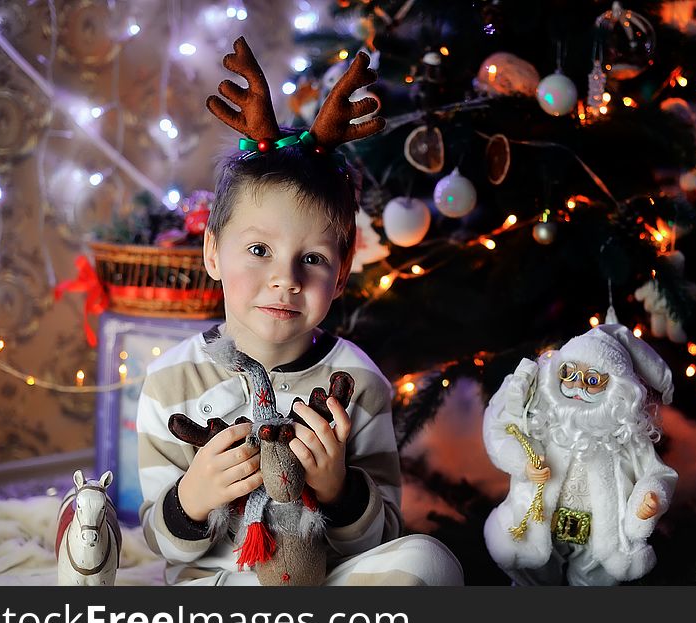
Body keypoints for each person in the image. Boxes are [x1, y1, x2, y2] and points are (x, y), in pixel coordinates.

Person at [136, 37, 462, 586]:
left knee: (430, 561)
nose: (285, 279)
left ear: (340, 272)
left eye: (311, 258)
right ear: (213, 252)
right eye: (258, 250)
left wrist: (339, 490)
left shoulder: (357, 381)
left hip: (332, 577)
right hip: (225, 584)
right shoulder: (171, 381)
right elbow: (157, 540)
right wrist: (192, 499)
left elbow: (383, 531)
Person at [482, 321, 677, 585]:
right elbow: (501, 428)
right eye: (568, 373)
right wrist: (523, 463)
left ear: (617, 389)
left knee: (595, 578)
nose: (577, 386)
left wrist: (647, 499)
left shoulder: (625, 436)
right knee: (533, 568)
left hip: (599, 531)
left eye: (593, 380)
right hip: (540, 521)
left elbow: (658, 474)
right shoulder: (544, 418)